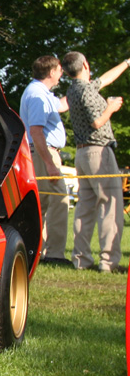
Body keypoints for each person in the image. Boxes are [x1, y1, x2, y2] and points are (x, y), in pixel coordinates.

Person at [61, 51, 130, 272]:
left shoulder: (74, 90)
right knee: (110, 206)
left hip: (82, 155)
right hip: (99, 152)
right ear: (86, 65)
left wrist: (126, 63)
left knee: (85, 207)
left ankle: (81, 259)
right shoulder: (87, 92)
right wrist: (111, 107)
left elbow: (106, 79)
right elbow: (97, 122)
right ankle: (109, 262)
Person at [19, 55, 70, 264]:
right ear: (51, 72)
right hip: (44, 153)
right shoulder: (37, 95)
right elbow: (36, 131)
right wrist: (50, 163)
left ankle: (34, 250)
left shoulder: (40, 92)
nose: (61, 74)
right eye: (59, 70)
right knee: (59, 201)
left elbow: (61, 106)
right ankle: (55, 254)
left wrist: (82, 88)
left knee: (43, 203)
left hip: (41, 152)